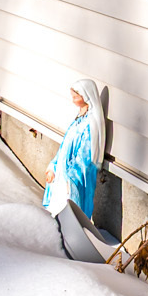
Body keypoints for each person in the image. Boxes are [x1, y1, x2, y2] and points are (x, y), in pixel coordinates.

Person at [43, 78, 105, 221]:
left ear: (86, 96)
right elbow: (64, 146)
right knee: (56, 210)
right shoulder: (78, 118)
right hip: (62, 174)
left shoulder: (90, 123)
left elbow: (86, 155)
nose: (73, 100)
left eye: (76, 97)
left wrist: (71, 177)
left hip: (71, 177)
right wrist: (54, 165)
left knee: (68, 211)